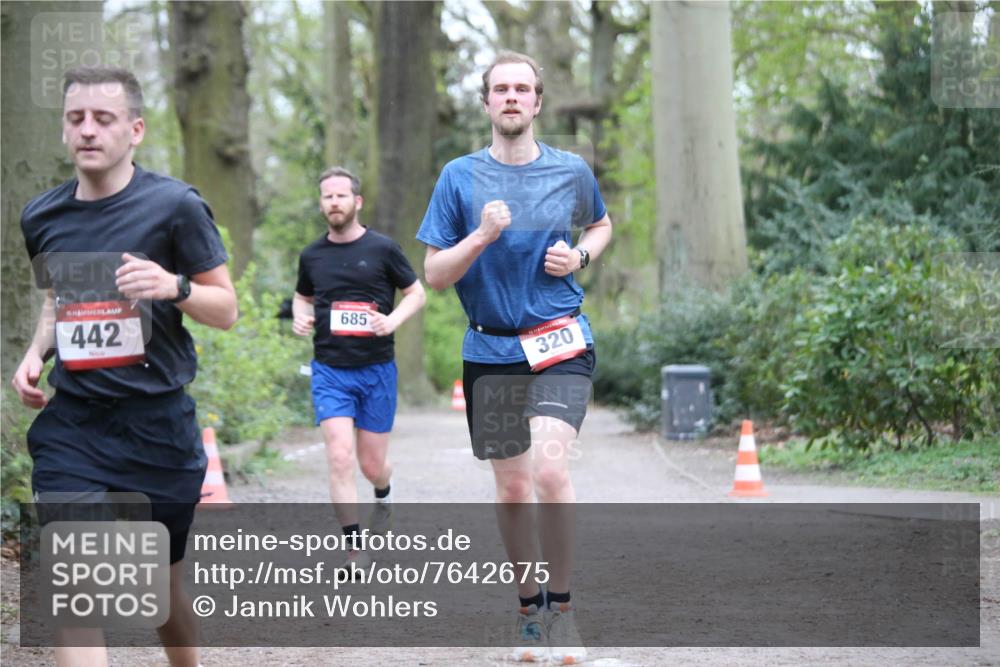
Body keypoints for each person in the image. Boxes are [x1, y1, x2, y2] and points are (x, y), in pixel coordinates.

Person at [10, 67, 237, 666]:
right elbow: (58, 298)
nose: (87, 130)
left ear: (134, 130)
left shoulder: (175, 207)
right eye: (75, 118)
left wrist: (173, 284)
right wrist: (38, 352)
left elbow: (227, 309)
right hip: (75, 425)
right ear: (63, 128)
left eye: (103, 118)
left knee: (163, 591)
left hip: (157, 426)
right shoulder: (43, 217)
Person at [417, 51, 612, 664]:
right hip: (491, 346)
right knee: (511, 490)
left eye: (521, 89)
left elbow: (602, 226)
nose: (510, 97)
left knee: (550, 472)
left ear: (536, 101)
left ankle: (564, 609)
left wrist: (580, 257)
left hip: (558, 340)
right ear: (486, 103)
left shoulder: (571, 170)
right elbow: (434, 274)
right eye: (499, 88)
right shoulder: (458, 177)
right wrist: (480, 236)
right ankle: (529, 608)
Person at [292, 166, 425, 570]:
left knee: (371, 465)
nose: (334, 202)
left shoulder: (383, 249)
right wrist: (302, 316)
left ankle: (383, 492)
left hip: (376, 370)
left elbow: (416, 294)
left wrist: (392, 321)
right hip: (330, 369)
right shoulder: (312, 255)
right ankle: (354, 547)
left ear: (357, 201)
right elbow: (302, 297)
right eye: (327, 197)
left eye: (340, 196)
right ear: (322, 204)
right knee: (338, 455)